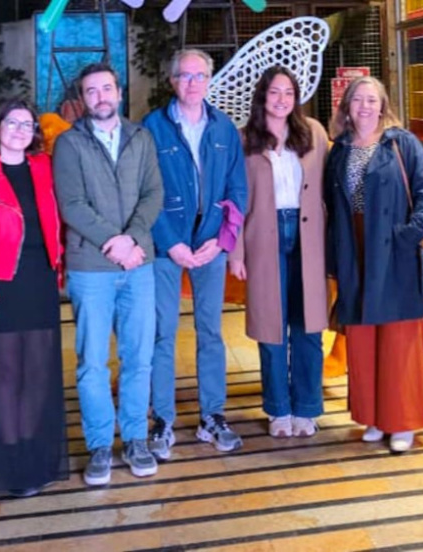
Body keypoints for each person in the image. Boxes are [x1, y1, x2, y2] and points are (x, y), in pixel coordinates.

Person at [53, 62, 164, 486]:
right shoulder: (69, 143)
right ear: (83, 99)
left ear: (119, 92)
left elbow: (154, 193)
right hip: (92, 267)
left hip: (138, 264)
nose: (100, 96)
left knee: (139, 357)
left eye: (106, 88)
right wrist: (114, 243)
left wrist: (132, 240)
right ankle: (99, 444)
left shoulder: (141, 138)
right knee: (92, 362)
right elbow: (72, 204)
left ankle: (135, 438)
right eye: (91, 91)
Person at [0, 99, 69, 497]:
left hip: (40, 281)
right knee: (5, 374)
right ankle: (9, 459)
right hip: (0, 284)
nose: (21, 130)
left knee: (38, 371)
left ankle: (31, 453)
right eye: (13, 123)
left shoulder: (44, 167)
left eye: (28, 124)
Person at [323, 76, 423, 453]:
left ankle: (402, 421)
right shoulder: (339, 149)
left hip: (394, 249)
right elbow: (330, 204)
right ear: (346, 106)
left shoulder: (401, 143)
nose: (365, 106)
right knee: (362, 338)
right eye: (358, 99)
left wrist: (411, 233)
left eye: (372, 100)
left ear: (383, 105)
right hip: (354, 248)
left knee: (398, 338)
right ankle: (372, 415)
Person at [142, 49, 248, 459]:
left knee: (211, 331)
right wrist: (171, 242)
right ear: (172, 81)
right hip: (165, 246)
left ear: (209, 80)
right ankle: (162, 420)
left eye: (199, 75)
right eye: (184, 76)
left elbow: (238, 189)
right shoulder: (152, 127)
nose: (192, 83)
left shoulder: (224, 128)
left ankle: (212, 416)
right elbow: (145, 190)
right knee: (162, 332)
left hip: (210, 244)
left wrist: (222, 240)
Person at [227, 66, 328, 438]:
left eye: (289, 92)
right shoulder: (244, 139)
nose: (282, 99)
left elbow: (328, 187)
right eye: (274, 92)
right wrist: (236, 252)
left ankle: (307, 407)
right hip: (262, 237)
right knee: (271, 327)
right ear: (262, 96)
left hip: (309, 237)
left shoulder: (314, 133)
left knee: (308, 326)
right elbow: (235, 199)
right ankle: (278, 409)